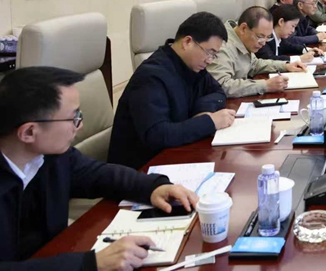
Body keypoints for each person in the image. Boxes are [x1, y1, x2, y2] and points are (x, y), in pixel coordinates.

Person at [0, 67, 198, 270]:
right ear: (29, 132)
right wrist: (91, 264)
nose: (79, 125)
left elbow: (98, 174)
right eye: (73, 118)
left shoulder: (51, 155)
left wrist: (154, 187)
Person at [109, 12, 237, 169]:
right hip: (141, 169)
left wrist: (204, 111)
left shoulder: (193, 66)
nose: (210, 60)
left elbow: (217, 92)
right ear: (187, 42)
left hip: (176, 155)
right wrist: (209, 122)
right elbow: (157, 135)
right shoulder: (151, 77)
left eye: (214, 55)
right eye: (209, 52)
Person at [208, 6, 307, 98]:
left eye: (268, 37)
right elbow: (222, 86)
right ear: (243, 28)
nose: (263, 43)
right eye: (260, 36)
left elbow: (255, 64)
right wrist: (265, 85)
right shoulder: (222, 47)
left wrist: (286, 66)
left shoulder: (243, 40)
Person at [256, 5, 323, 61]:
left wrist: (308, 50)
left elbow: (289, 47)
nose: (293, 30)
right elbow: (270, 59)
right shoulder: (266, 39)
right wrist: (299, 59)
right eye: (292, 26)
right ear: (281, 22)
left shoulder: (279, 38)